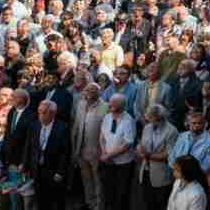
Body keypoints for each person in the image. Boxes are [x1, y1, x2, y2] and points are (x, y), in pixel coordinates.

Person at [23, 99, 71, 210]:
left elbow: (65, 152)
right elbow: (28, 147)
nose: (40, 115)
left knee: (57, 200)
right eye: (39, 112)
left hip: (53, 170)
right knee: (41, 200)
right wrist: (25, 165)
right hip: (37, 169)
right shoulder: (34, 125)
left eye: (44, 112)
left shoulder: (62, 128)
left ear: (53, 113)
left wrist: (60, 172)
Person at [137, 103, 179, 210]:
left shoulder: (172, 131)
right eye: (148, 117)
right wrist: (142, 152)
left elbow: (167, 155)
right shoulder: (147, 127)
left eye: (151, 118)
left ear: (159, 117)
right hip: (145, 171)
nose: (148, 120)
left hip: (161, 175)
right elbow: (141, 145)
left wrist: (147, 154)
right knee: (148, 203)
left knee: (161, 204)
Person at [72, 82, 107, 210]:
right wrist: (75, 148)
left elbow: (106, 131)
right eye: (87, 90)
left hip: (97, 150)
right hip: (81, 149)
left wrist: (103, 150)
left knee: (98, 180)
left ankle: (99, 205)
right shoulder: (80, 104)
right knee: (86, 178)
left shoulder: (105, 106)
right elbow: (76, 126)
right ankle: (89, 203)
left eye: (93, 90)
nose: (89, 92)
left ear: (99, 93)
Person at [99, 93, 136, 210]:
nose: (110, 104)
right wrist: (104, 153)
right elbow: (102, 137)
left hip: (123, 164)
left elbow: (127, 144)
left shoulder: (129, 120)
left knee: (121, 194)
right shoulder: (107, 117)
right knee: (108, 192)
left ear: (122, 105)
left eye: (114, 103)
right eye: (110, 102)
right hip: (107, 162)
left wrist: (109, 155)